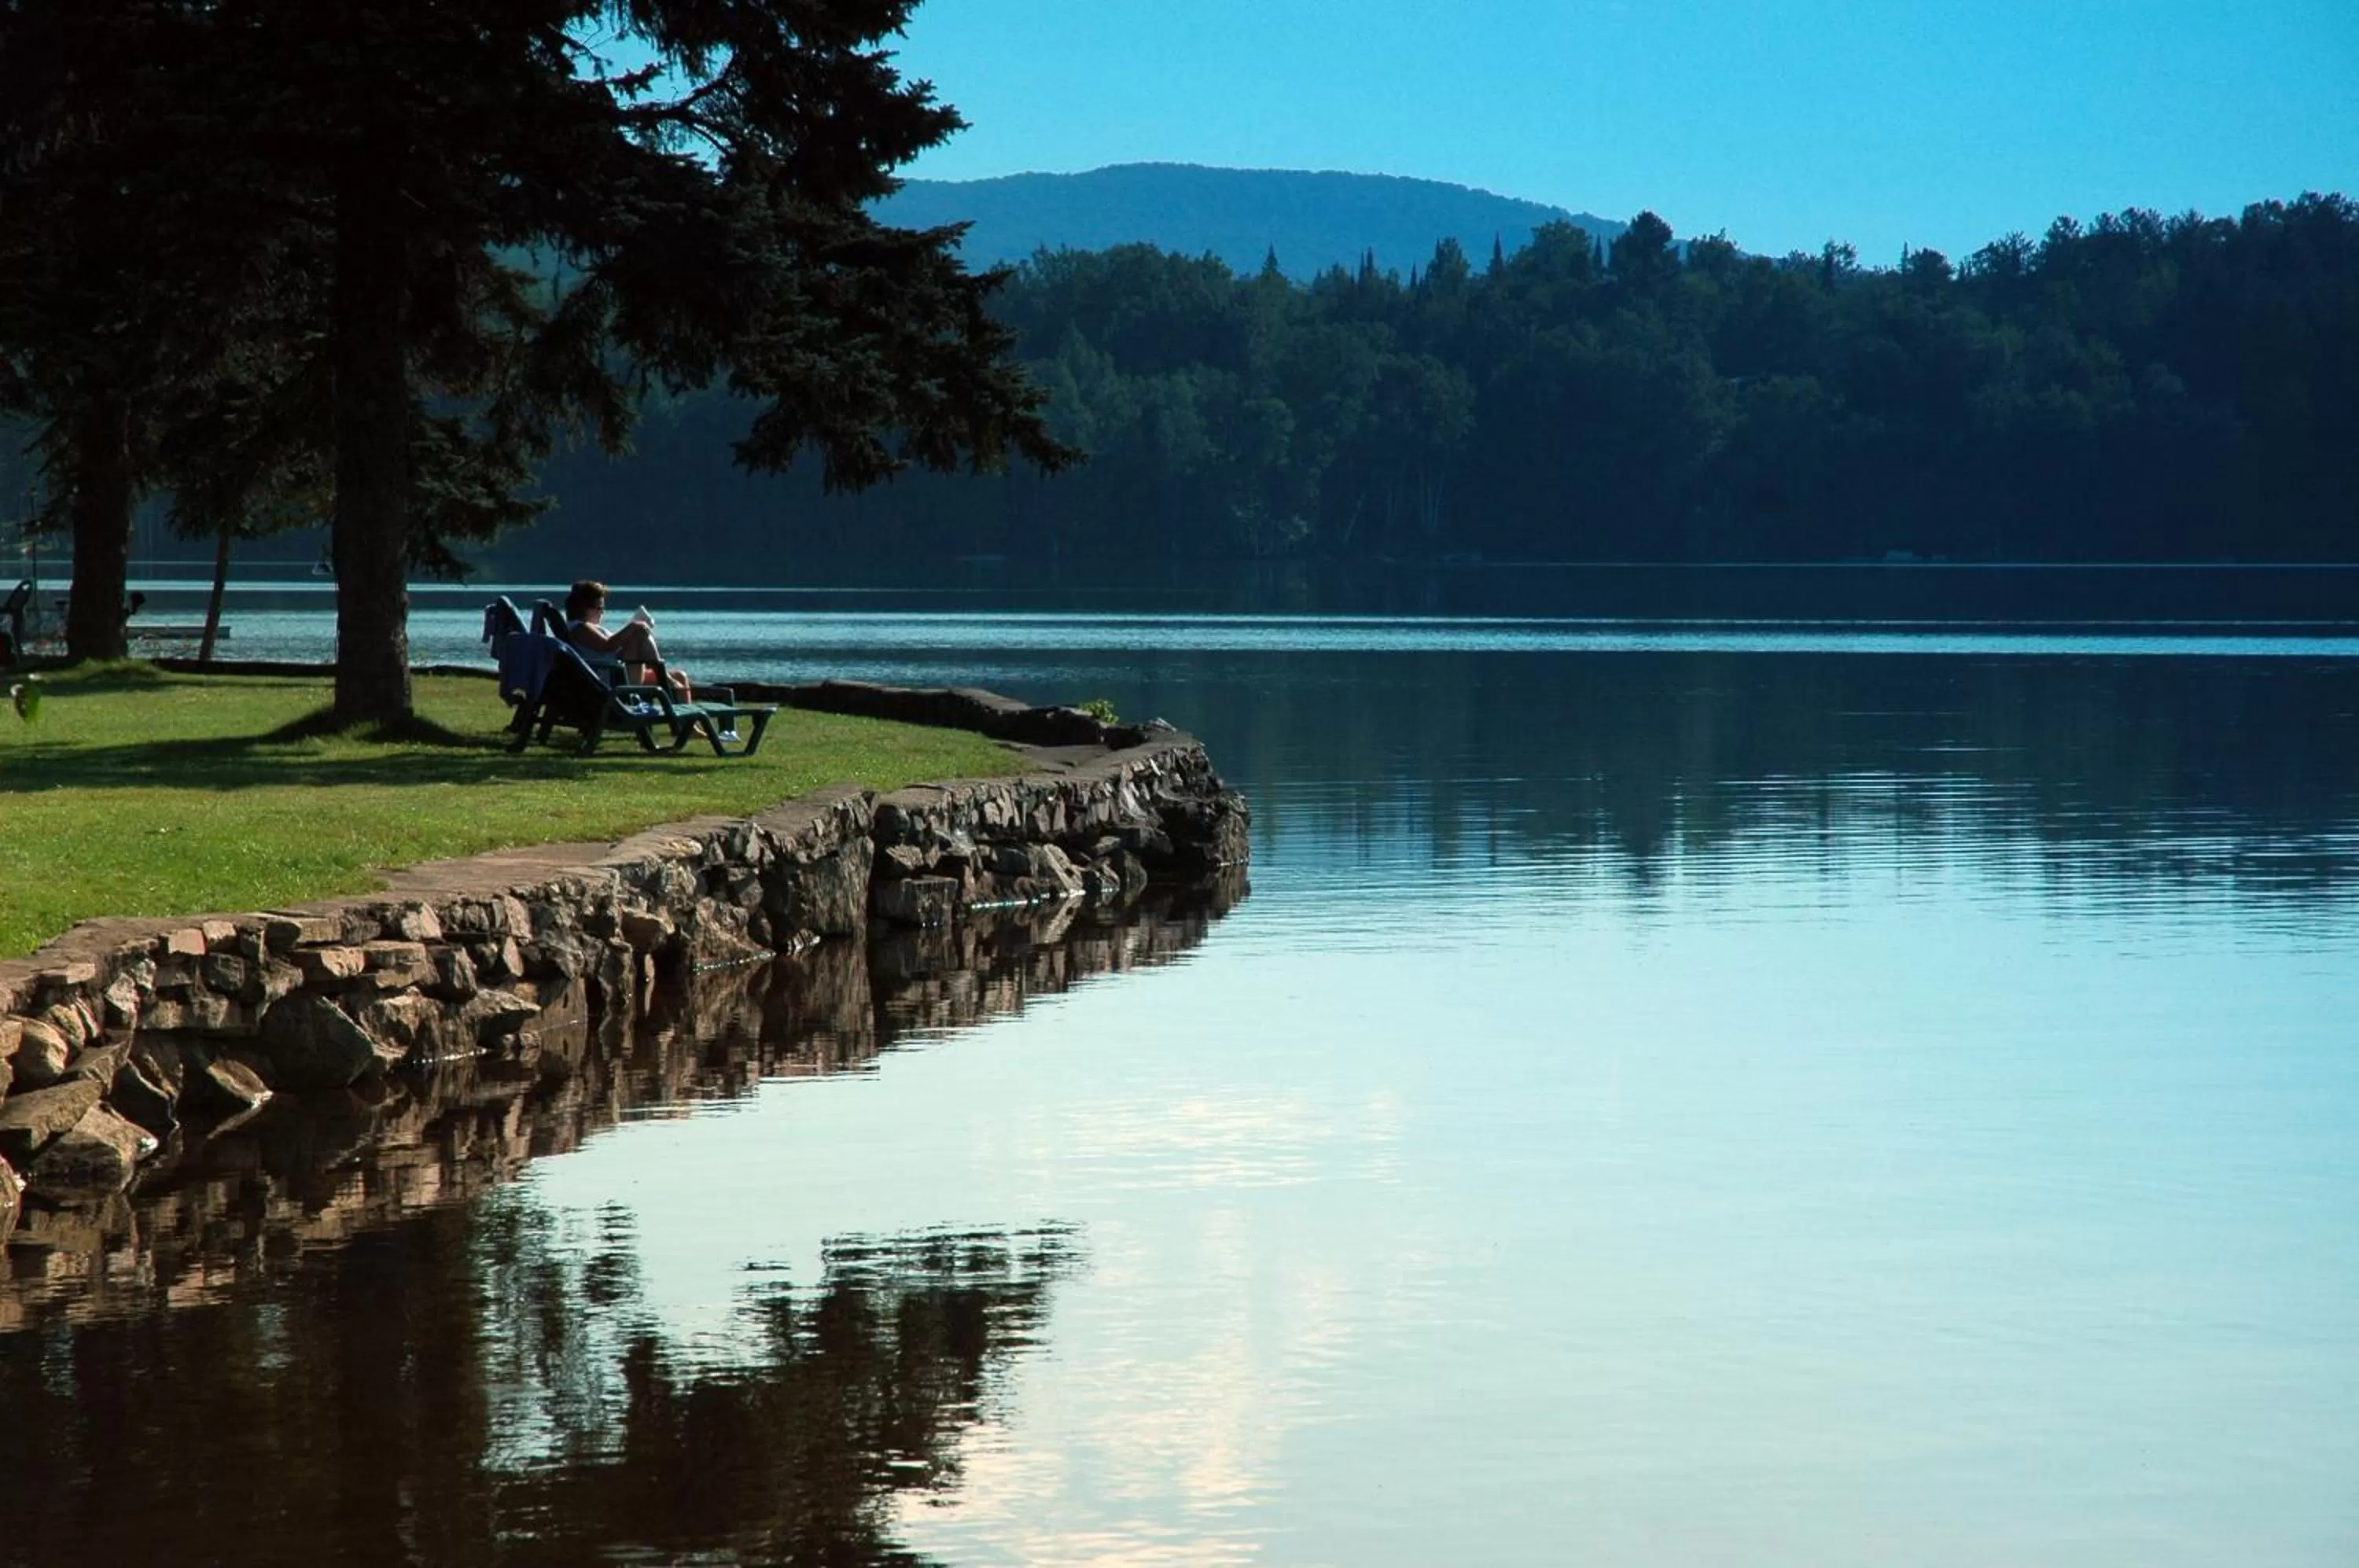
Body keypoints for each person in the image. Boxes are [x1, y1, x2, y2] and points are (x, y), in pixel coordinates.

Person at [561, 579, 692, 700]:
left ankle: (687, 723)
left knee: (680, 676)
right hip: (611, 679)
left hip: (619, 672)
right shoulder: (579, 629)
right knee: (639, 633)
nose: (602, 613)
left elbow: (609, 647)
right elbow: (607, 645)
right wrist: (633, 626)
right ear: (585, 608)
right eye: (599, 608)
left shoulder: (587, 627)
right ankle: (666, 679)